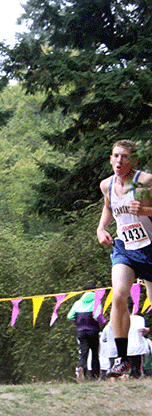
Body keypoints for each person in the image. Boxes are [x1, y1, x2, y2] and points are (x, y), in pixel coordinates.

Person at [96, 139, 152, 377]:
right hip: (125, 247)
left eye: (125, 156)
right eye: (116, 156)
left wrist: (146, 211)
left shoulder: (146, 181)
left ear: (134, 161)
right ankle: (122, 359)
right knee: (118, 295)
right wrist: (101, 228)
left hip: (150, 247)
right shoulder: (106, 185)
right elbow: (108, 207)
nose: (119, 161)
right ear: (110, 159)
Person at [67, 284, 106, 381]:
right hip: (93, 331)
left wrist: (77, 323)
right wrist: (102, 321)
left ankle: (81, 369)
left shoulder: (77, 303)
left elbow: (70, 316)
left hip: (81, 331)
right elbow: (97, 315)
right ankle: (94, 376)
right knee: (94, 354)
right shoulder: (96, 302)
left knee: (84, 353)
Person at [126, 313, 150, 378]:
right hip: (137, 346)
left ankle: (131, 376)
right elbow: (141, 329)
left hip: (127, 346)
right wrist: (147, 329)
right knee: (138, 365)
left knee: (130, 364)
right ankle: (137, 376)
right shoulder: (139, 318)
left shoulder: (123, 318)